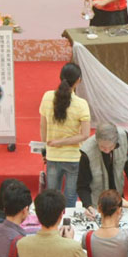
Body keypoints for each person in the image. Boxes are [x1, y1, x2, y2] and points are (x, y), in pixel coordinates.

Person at [40, 62, 91, 207]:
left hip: (52, 155)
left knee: (52, 197)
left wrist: (47, 147)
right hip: (73, 157)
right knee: (70, 198)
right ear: (78, 80)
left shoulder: (47, 97)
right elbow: (85, 135)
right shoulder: (81, 104)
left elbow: (43, 126)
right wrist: (61, 142)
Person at [76, 123, 128, 213]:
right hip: (97, 201)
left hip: (118, 195)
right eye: (102, 147)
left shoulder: (124, 138)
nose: (107, 151)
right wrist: (88, 205)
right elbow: (82, 184)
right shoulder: (87, 152)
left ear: (116, 141)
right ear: (96, 141)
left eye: (111, 147)